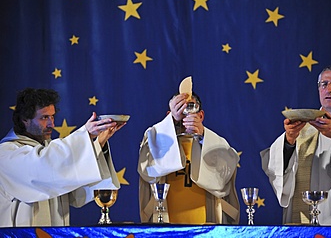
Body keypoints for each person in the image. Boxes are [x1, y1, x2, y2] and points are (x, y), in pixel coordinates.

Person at [260, 64, 331, 226]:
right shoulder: (301, 128)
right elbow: (273, 166)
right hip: (304, 217)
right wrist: (289, 142)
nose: (329, 89)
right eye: (324, 84)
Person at [0, 88, 125, 227]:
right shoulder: (7, 153)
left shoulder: (51, 151)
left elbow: (75, 193)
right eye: (44, 117)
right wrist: (85, 135)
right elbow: (42, 168)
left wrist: (98, 143)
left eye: (52, 117)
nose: (51, 124)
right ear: (25, 120)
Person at [138, 92, 240, 224]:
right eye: (179, 108)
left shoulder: (214, 144)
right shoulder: (157, 143)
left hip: (205, 227)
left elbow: (226, 170)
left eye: (190, 107)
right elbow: (147, 168)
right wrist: (172, 121)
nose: (184, 114)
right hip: (167, 226)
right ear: (169, 115)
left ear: (201, 115)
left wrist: (202, 133)